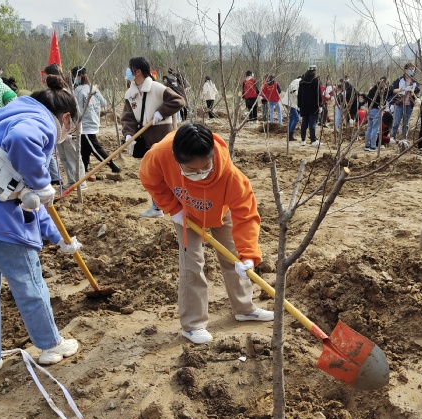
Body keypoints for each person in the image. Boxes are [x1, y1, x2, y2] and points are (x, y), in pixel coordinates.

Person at [0, 75, 85, 388]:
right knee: (28, 282)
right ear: (65, 118)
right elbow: (31, 175)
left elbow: (31, 200)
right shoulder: (37, 122)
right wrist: (40, 182)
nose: (66, 134)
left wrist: (58, 237)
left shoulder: (8, 118)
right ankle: (50, 346)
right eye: (71, 128)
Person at [139, 123, 274, 344]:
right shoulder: (159, 155)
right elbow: (149, 179)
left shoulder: (229, 174)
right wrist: (173, 208)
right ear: (176, 159)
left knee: (234, 258)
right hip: (186, 213)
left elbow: (246, 214)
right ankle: (193, 324)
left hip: (220, 210)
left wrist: (248, 254)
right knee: (192, 264)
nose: (200, 174)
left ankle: (244, 308)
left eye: (205, 167)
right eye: (191, 170)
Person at [121, 56, 184, 218]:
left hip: (162, 135)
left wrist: (160, 113)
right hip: (144, 137)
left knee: (170, 173)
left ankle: (180, 205)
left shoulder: (157, 88)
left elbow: (179, 101)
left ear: (138, 71)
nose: (128, 73)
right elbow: (128, 116)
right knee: (152, 174)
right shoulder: (130, 93)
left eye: (130, 69)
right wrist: (128, 134)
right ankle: (157, 207)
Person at [72, 66, 121, 174]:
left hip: (85, 124)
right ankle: (84, 170)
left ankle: (112, 165)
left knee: (95, 149)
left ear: (78, 76)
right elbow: (103, 103)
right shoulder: (93, 88)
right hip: (94, 121)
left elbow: (77, 109)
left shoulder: (78, 90)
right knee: (84, 149)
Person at [43, 63, 85, 189]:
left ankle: (80, 182)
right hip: (59, 130)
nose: (44, 79)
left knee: (73, 157)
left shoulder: (67, 92)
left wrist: (73, 128)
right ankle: (72, 181)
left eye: (46, 76)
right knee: (64, 158)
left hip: (70, 130)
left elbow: (75, 113)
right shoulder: (51, 93)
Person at [390, 62, 418, 142]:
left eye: (413, 69)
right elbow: (392, 90)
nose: (412, 71)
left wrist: (415, 95)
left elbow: (417, 92)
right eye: (410, 69)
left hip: (409, 105)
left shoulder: (414, 81)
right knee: (396, 121)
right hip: (399, 103)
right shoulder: (399, 80)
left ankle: (404, 138)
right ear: (405, 70)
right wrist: (401, 90)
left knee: (406, 123)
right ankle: (393, 136)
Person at [363, 77, 389, 152]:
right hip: (377, 110)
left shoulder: (372, 90)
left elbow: (367, 99)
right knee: (375, 129)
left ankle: (367, 145)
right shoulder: (380, 92)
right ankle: (373, 146)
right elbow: (382, 102)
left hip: (370, 110)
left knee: (369, 128)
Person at [298, 66, 321, 147]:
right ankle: (313, 140)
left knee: (304, 123)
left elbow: (299, 95)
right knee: (312, 124)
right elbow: (318, 94)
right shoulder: (315, 81)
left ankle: (303, 140)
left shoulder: (301, 81)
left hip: (304, 106)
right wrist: (320, 105)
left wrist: (299, 105)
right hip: (313, 105)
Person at [283, 73, 301, 141]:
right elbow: (296, 93)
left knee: (291, 118)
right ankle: (290, 135)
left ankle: (289, 134)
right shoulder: (297, 83)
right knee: (296, 118)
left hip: (288, 102)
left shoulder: (294, 82)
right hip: (290, 103)